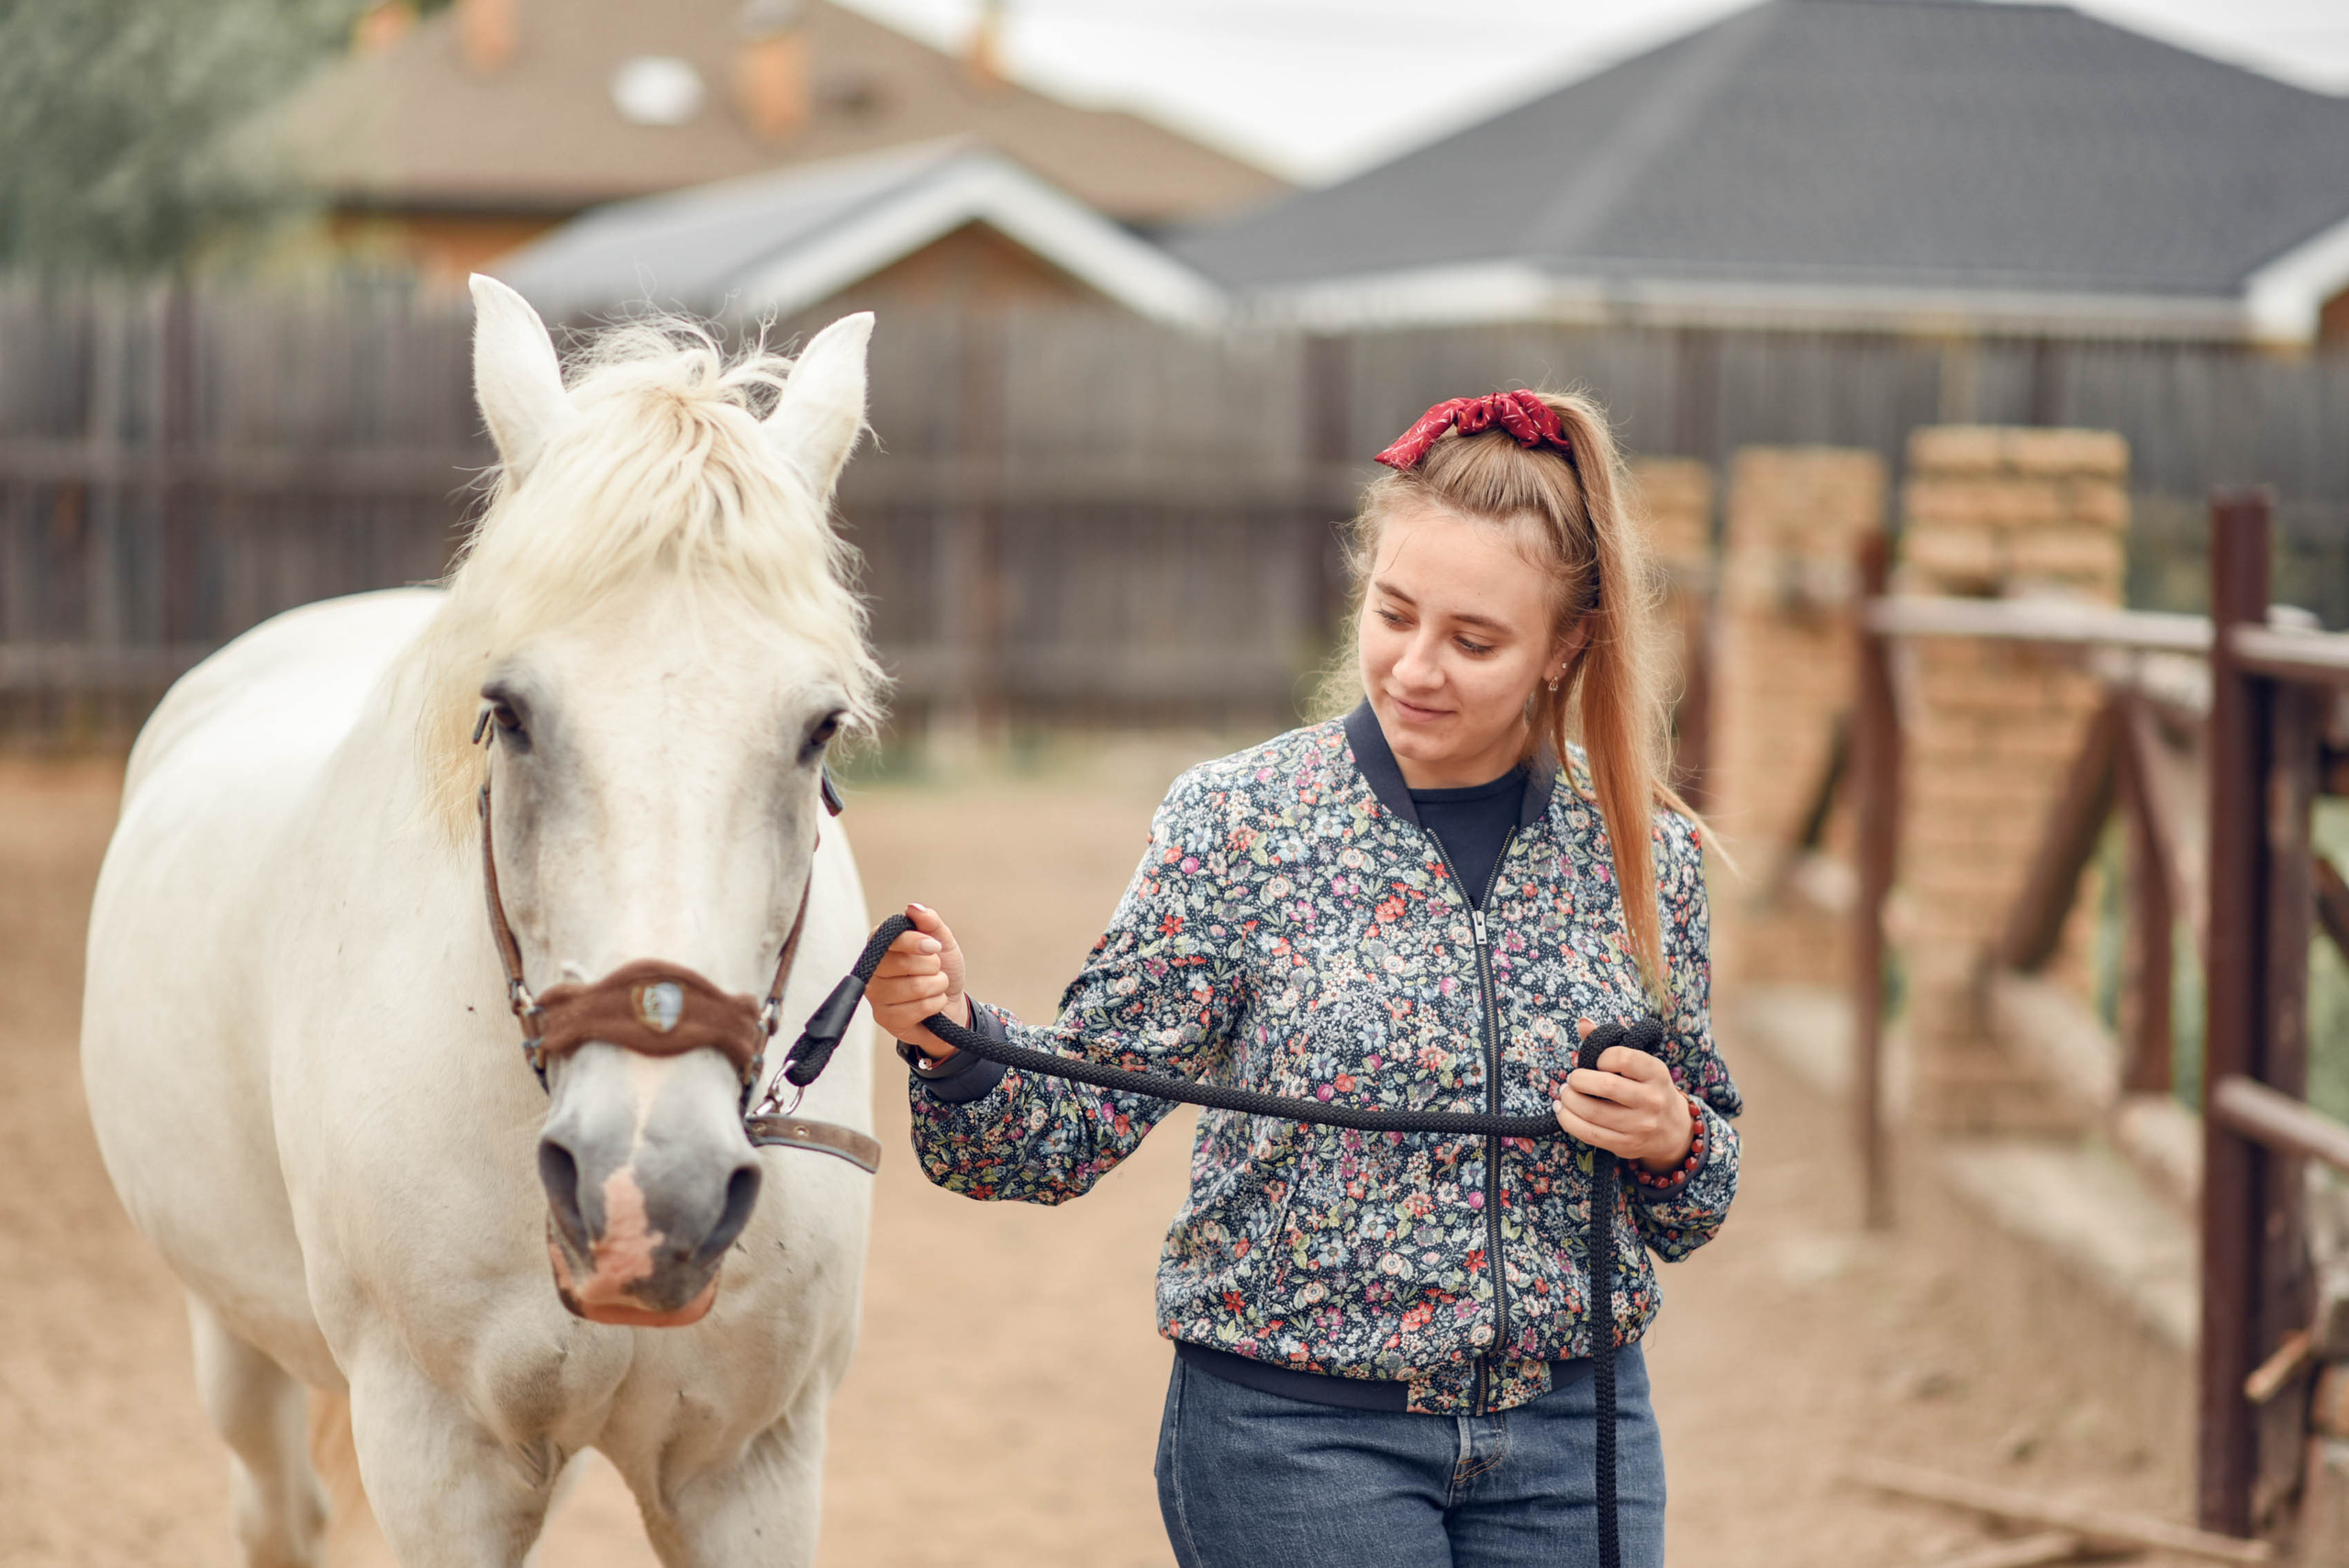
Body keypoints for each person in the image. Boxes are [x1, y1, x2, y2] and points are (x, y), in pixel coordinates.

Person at [868, 389, 1742, 1568]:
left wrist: (1671, 1134)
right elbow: (1058, 1127)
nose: (1415, 667)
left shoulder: (1646, 851)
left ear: (1566, 648)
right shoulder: (1238, 824)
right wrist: (954, 1040)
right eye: (1393, 613)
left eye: (1474, 641)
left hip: (1572, 1434)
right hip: (1295, 1439)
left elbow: (1692, 1200)